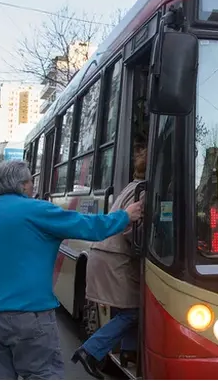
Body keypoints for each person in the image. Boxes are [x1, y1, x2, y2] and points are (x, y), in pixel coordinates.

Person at [0, 160, 144, 380]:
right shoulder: (37, 211)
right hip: (30, 317)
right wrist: (126, 216)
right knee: (43, 374)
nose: (33, 187)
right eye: (31, 182)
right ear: (22, 185)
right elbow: (91, 227)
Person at [72, 147, 147, 379]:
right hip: (116, 259)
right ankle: (90, 351)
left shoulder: (131, 186)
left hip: (104, 254)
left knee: (124, 308)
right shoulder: (145, 192)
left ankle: (128, 353)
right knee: (134, 311)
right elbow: (134, 231)